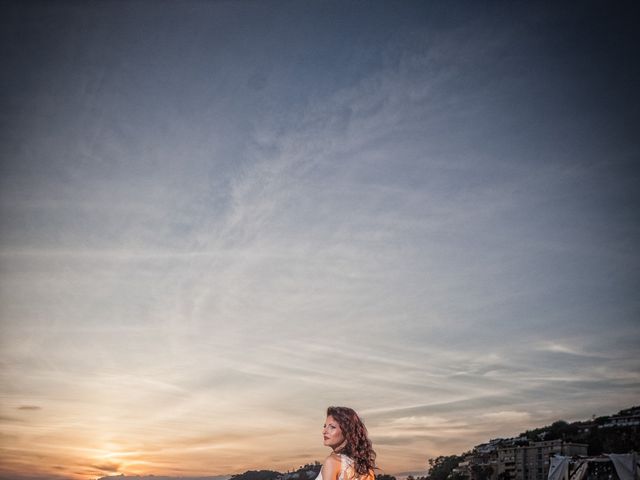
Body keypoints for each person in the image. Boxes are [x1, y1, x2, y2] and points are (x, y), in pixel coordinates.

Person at [317, 406, 376, 480]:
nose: (324, 431)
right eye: (325, 426)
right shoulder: (365, 468)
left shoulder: (332, 462)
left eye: (332, 427)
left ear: (347, 431)